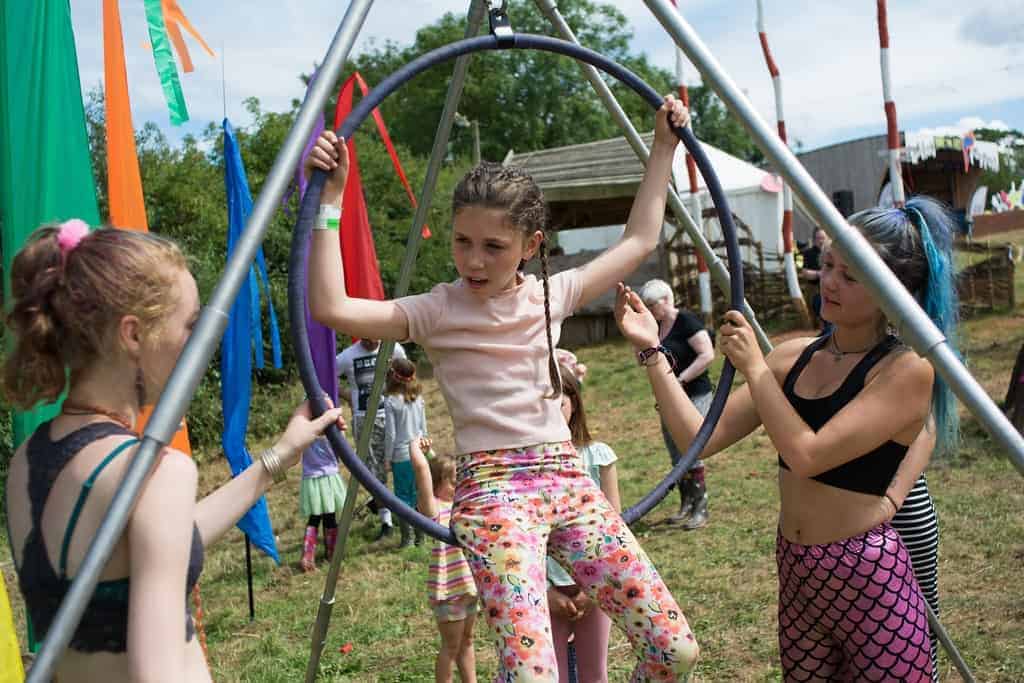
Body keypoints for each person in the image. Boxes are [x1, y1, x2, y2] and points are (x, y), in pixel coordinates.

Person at [306, 95, 699, 680]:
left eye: (494, 246)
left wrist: (663, 145)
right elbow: (331, 306)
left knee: (675, 650)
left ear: (531, 246)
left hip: (566, 479)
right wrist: (329, 204)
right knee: (532, 673)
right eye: (463, 241)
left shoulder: (553, 294)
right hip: (492, 493)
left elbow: (641, 239)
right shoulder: (437, 309)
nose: (475, 260)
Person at [615, 195, 960, 681]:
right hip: (798, 570)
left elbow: (808, 454)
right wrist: (652, 350)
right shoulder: (793, 356)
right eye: (829, 265)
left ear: (894, 291)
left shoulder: (905, 370)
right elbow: (695, 436)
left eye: (851, 275)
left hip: (868, 574)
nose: (830, 282)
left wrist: (756, 368)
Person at [2, 222, 346, 682]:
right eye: (189, 325)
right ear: (133, 334)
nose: (198, 343)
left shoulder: (26, 463)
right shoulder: (155, 472)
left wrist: (278, 457)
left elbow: (157, 547)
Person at [546, 366, 619, 683]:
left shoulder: (597, 455)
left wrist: (595, 588)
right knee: (555, 676)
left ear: (574, 402)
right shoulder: (525, 469)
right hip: (546, 588)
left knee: (594, 673)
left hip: (595, 585)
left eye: (558, 402)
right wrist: (547, 591)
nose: (550, 413)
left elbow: (614, 528)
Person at [639, 278, 715, 530]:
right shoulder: (656, 327)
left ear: (665, 300)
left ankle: (700, 509)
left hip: (694, 394)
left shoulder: (686, 322)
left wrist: (681, 378)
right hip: (668, 397)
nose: (649, 309)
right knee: (675, 452)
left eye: (651, 304)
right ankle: (686, 505)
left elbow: (707, 354)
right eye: (646, 305)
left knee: (692, 448)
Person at [410, 445, 479, 683]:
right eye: (452, 482)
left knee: (468, 641)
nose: (458, 486)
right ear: (438, 483)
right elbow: (422, 472)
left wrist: (435, 456)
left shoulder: (463, 506)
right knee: (451, 646)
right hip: (450, 589)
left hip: (469, 586)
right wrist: (415, 447)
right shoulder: (435, 510)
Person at [336, 336, 406, 540]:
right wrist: (347, 395)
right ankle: (387, 522)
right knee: (374, 472)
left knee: (403, 465)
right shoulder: (348, 356)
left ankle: (412, 512)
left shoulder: (394, 348)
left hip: (394, 414)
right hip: (365, 419)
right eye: (366, 339)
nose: (372, 342)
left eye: (375, 337)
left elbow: (408, 373)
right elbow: (326, 376)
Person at [383, 357, 428, 548]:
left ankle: (407, 539)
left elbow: (391, 434)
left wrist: (387, 458)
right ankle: (421, 536)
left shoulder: (391, 401)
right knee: (418, 492)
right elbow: (423, 427)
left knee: (402, 496)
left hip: (401, 455)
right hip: (419, 452)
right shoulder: (418, 397)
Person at [299, 437, 347, 571]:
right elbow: (339, 445)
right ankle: (332, 554)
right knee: (329, 516)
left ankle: (308, 556)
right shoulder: (329, 425)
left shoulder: (306, 426)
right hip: (328, 475)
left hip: (312, 477)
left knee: (315, 518)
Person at [801, 227, 829, 331]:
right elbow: (805, 273)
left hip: (829, 287)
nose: (821, 241)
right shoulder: (808, 253)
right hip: (814, 289)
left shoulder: (830, 253)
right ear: (814, 239)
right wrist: (819, 274)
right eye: (818, 238)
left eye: (823, 238)